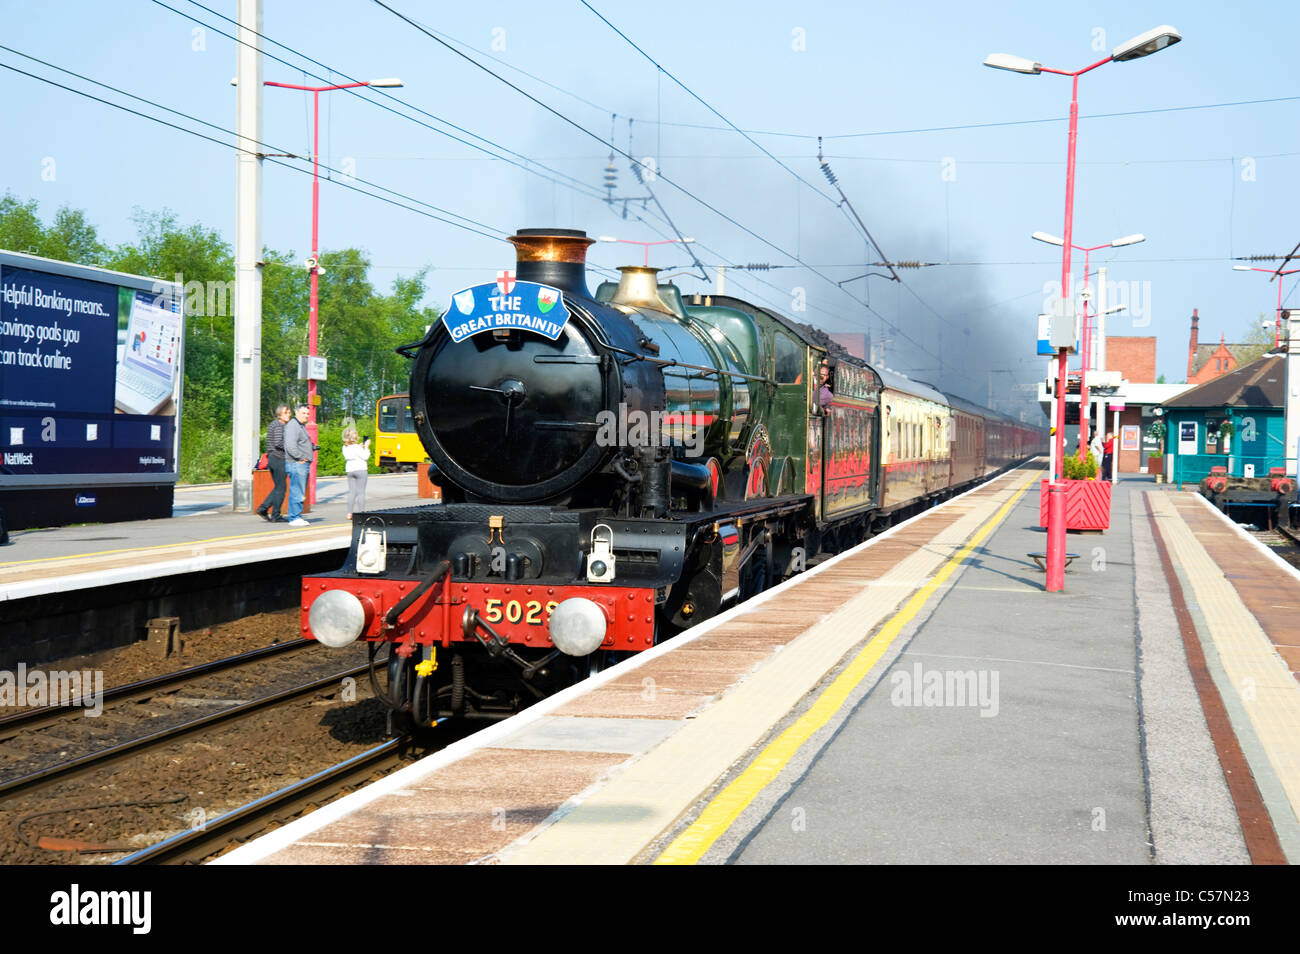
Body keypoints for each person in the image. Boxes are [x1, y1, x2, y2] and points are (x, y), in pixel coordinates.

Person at [256, 404, 291, 522]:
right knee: (281, 488)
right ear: (280, 414)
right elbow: (278, 443)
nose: (289, 414)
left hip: (273, 459)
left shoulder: (274, 425)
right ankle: (276, 515)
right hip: (278, 458)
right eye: (286, 412)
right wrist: (291, 447)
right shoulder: (279, 426)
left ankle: (263, 508)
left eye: (289, 412)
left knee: (278, 488)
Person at [285, 404, 314, 527]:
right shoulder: (293, 425)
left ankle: (296, 515)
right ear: (296, 412)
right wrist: (300, 457)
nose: (306, 416)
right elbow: (290, 446)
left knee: (298, 490)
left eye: (307, 413)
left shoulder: (299, 426)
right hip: (297, 463)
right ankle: (294, 517)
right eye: (303, 413)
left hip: (300, 463)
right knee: (297, 490)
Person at [342, 427, 370, 519]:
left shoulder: (344, 447)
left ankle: (349, 513)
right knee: (361, 493)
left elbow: (353, 452)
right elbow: (365, 456)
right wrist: (366, 447)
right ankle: (362, 513)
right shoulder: (357, 448)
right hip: (360, 469)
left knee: (352, 492)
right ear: (355, 437)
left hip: (350, 470)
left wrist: (360, 447)